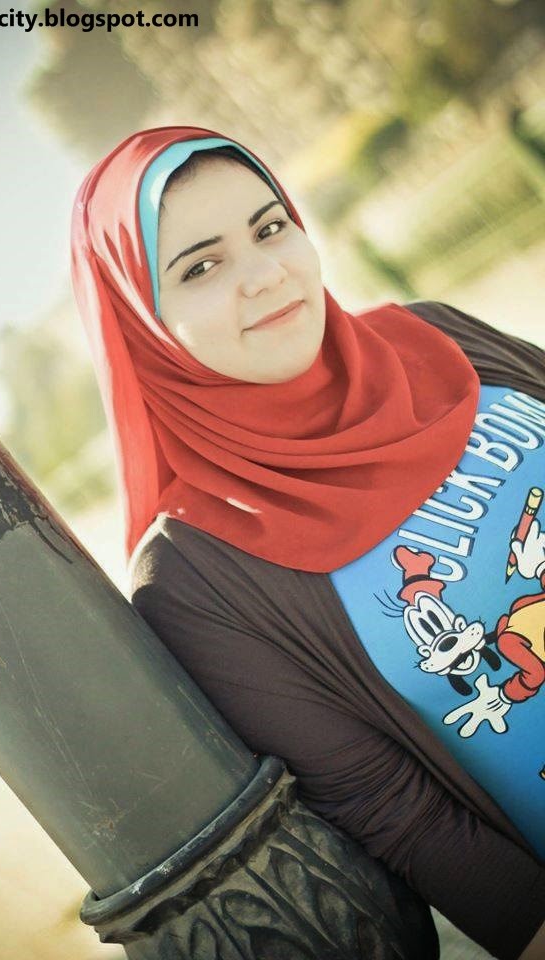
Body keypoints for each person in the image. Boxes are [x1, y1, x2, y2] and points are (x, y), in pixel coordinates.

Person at [70, 125, 545, 960]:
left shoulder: (436, 336)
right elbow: (400, 815)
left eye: (269, 227)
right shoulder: (193, 577)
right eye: (200, 267)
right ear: (140, 318)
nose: (265, 274)